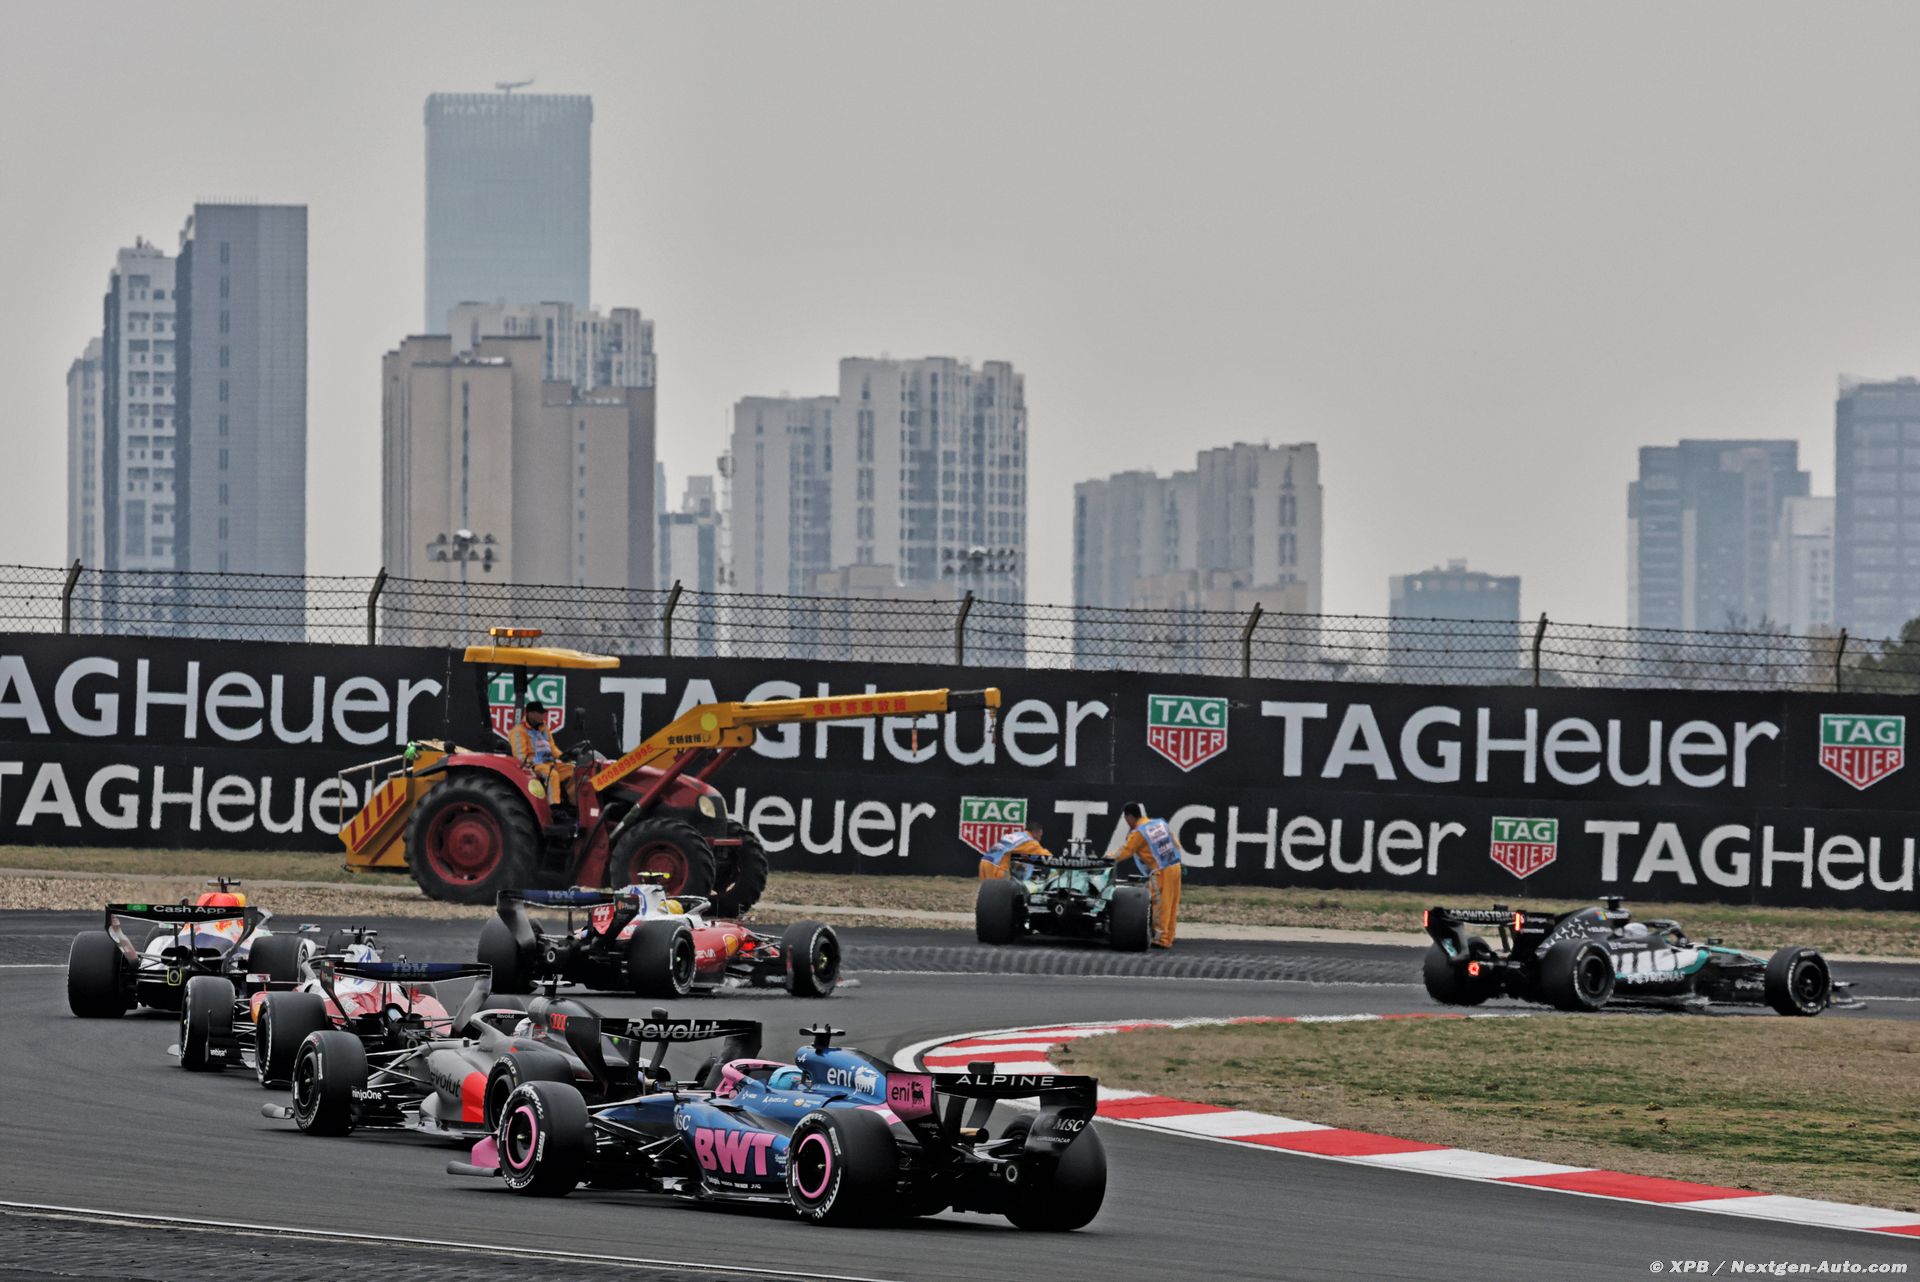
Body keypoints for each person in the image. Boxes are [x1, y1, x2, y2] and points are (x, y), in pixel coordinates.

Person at [1106, 802, 1183, 948]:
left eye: (1126, 819)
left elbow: (1126, 851)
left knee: (1160, 904)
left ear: (1129, 817)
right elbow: (1175, 843)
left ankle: (1160, 939)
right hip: (1175, 866)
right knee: (1172, 903)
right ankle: (1168, 937)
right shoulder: (1159, 823)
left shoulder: (1139, 832)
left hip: (1161, 870)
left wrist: (1107, 859)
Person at [509, 699, 563, 801]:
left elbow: (552, 747)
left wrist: (562, 756)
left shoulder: (544, 727)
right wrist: (532, 765)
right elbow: (520, 757)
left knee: (572, 769)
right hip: (534, 765)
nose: (544, 715)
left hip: (549, 763)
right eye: (541, 713)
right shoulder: (518, 731)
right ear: (531, 714)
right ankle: (554, 806)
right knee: (553, 775)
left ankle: (572, 803)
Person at [978, 821, 1049, 879]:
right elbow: (1047, 858)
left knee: (989, 890)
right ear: (1035, 832)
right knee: (1003, 891)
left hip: (985, 862)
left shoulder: (1016, 835)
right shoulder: (1030, 842)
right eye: (1040, 836)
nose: (1040, 839)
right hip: (997, 867)